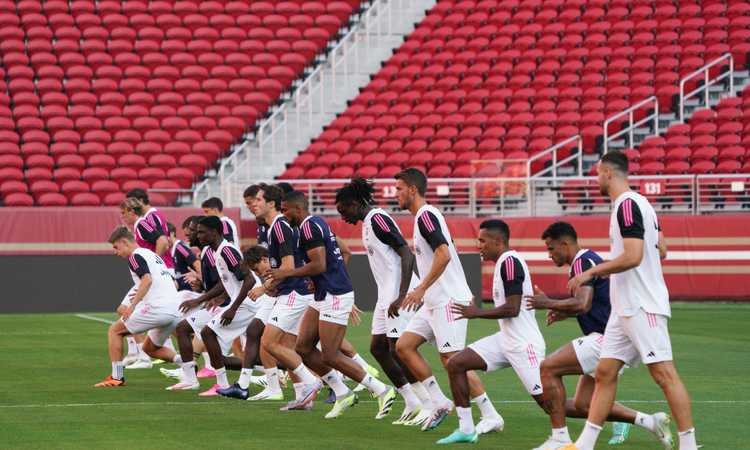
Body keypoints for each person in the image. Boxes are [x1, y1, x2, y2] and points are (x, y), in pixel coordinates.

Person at [563, 152, 696, 450]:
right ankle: (584, 444)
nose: (595, 179)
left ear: (608, 173)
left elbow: (635, 256)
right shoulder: (642, 205)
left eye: (597, 173)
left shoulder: (626, 205)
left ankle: (690, 445)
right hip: (624, 308)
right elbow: (661, 249)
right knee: (605, 373)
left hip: (641, 305)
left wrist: (592, 272)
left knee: (663, 374)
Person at [526, 221, 671, 449]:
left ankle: (559, 438)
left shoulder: (582, 262)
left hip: (608, 338)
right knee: (584, 405)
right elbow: (594, 305)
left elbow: (582, 304)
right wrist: (563, 311)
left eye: (551, 248)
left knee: (547, 368)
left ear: (564, 244)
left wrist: (547, 303)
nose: (549, 255)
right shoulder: (589, 259)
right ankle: (650, 421)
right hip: (615, 338)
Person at [270, 190, 397, 419]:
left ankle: (381, 389)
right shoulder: (306, 227)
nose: (283, 213)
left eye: (285, 209)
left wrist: (288, 273)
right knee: (303, 348)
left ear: (298, 209)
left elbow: (319, 264)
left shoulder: (309, 226)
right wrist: (310, 281)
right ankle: (342, 393)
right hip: (322, 294)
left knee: (330, 354)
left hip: (335, 294)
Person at [392, 168, 501, 432]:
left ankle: (490, 414)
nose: (395, 194)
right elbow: (450, 248)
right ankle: (440, 401)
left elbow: (444, 255)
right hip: (435, 300)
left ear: (412, 190)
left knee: (453, 359)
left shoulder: (426, 216)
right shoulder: (426, 217)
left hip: (446, 300)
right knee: (404, 346)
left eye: (398, 189)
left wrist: (420, 289)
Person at [436, 220, 542, 444]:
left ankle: (616, 414)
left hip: (524, 344)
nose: (479, 245)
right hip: (505, 340)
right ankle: (466, 428)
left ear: (498, 241)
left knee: (550, 404)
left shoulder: (510, 263)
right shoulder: (504, 263)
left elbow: (512, 309)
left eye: (483, 240)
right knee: (456, 363)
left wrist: (476, 313)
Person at [336, 178, 431, 424]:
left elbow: (406, 254)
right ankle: (412, 401)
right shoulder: (367, 222)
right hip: (385, 294)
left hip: (397, 292)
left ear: (355, 203)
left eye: (344, 210)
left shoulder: (378, 219)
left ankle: (429, 403)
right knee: (378, 348)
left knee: (400, 350)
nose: (343, 216)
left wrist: (401, 295)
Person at [178, 216, 259, 397]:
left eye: (201, 232)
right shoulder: (216, 252)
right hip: (241, 303)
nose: (198, 235)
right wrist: (203, 299)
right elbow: (226, 282)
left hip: (248, 304)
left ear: (214, 232)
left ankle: (221, 383)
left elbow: (250, 279)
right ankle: (269, 369)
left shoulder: (227, 251)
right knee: (204, 334)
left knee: (208, 333)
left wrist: (232, 308)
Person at [95, 227, 183, 387]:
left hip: (158, 308)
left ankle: (117, 377)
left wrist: (133, 306)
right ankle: (186, 364)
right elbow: (170, 281)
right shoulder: (153, 255)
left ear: (124, 242)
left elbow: (147, 280)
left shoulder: (134, 256)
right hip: (174, 310)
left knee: (115, 330)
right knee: (150, 349)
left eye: (116, 247)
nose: (115, 252)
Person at [125, 188, 174, 269]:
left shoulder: (151, 216)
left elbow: (163, 241)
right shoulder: (152, 215)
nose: (130, 207)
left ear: (140, 200)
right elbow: (169, 241)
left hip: (163, 267)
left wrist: (154, 264)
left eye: (132, 203)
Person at [167, 221, 201, 292]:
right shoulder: (173, 249)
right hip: (182, 288)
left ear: (172, 234)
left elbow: (197, 263)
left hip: (191, 290)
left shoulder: (180, 248)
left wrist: (200, 279)